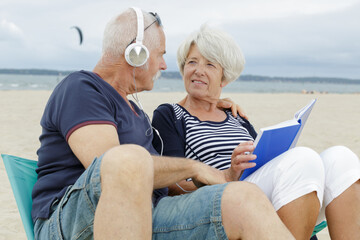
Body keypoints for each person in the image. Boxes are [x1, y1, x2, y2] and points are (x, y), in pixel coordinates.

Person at [31, 8, 295, 240]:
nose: (165, 65)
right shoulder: (82, 88)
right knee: (126, 159)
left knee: (245, 198)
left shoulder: (136, 110)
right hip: (71, 221)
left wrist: (213, 103)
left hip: (151, 212)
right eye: (160, 55)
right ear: (136, 54)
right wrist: (195, 167)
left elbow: (158, 178)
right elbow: (110, 166)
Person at [152, 25, 360, 240]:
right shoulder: (170, 115)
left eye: (210, 64)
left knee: (341, 158)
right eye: (192, 62)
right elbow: (170, 184)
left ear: (225, 77)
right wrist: (221, 176)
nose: (198, 70)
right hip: (225, 200)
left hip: (259, 189)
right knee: (303, 159)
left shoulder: (235, 116)